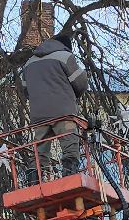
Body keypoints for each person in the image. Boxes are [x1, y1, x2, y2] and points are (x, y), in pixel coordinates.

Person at [20, 30, 91, 177]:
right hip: (63, 112)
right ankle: (70, 173)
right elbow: (81, 84)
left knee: (39, 148)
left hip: (39, 115)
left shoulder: (28, 63)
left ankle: (36, 177)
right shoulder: (65, 57)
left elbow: (25, 91)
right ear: (66, 46)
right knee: (70, 142)